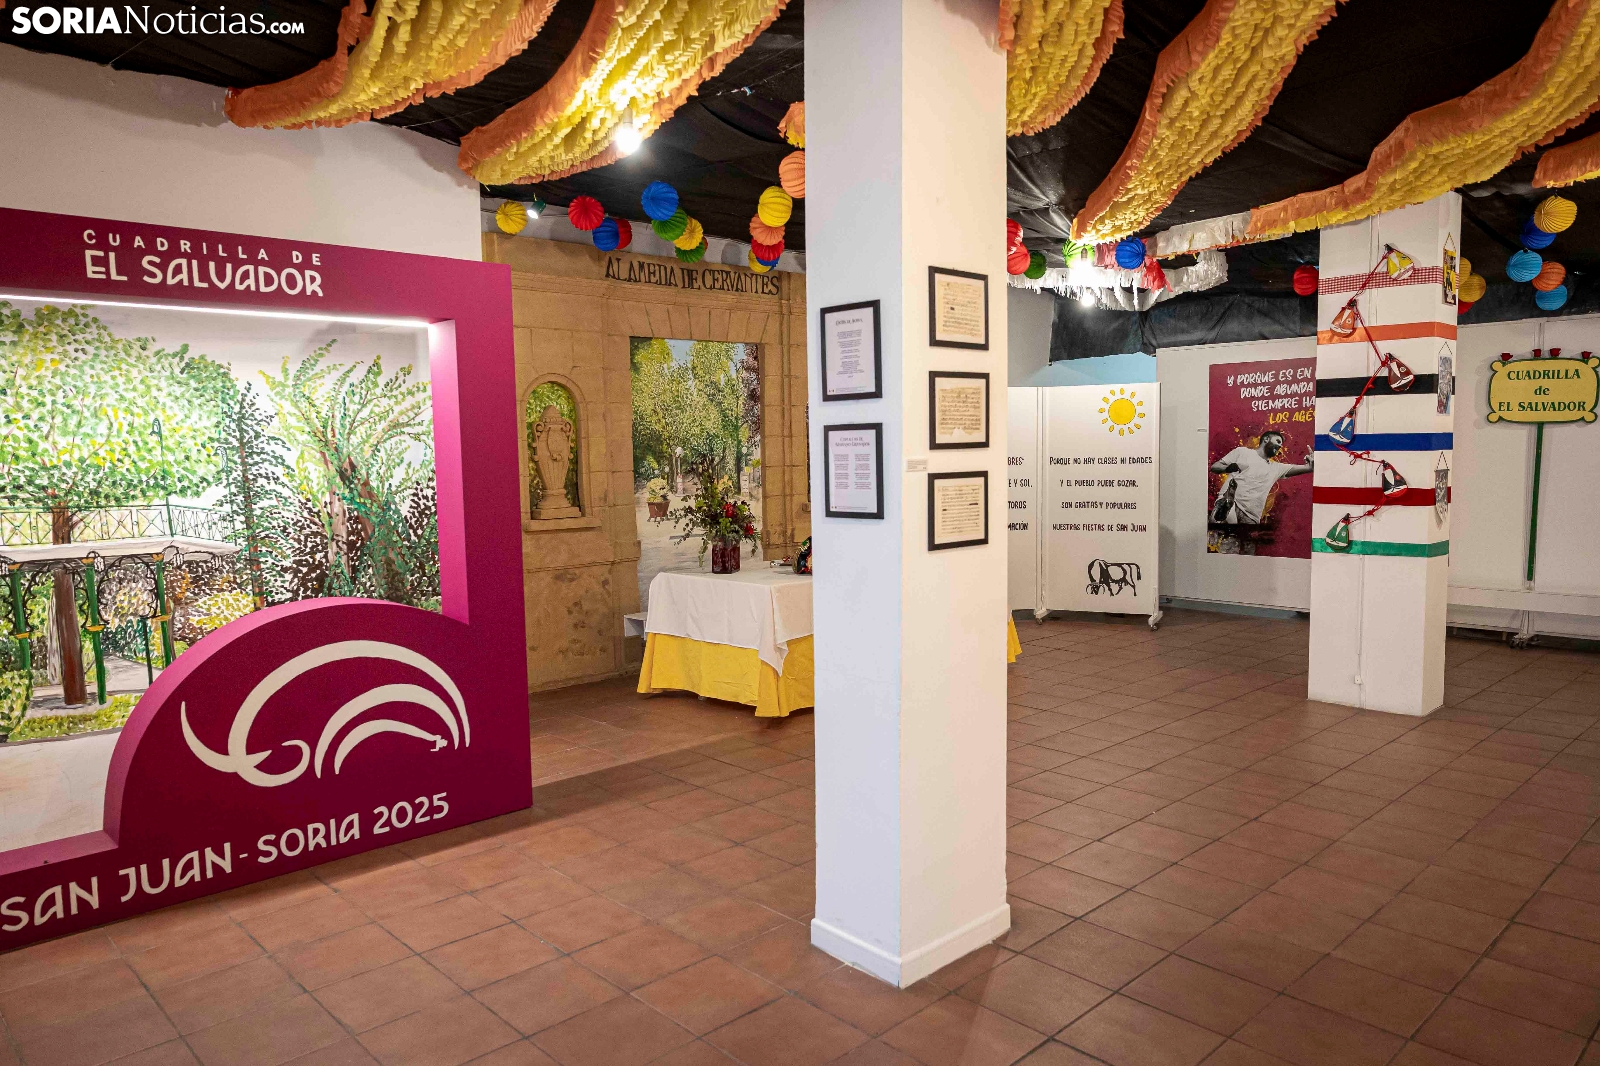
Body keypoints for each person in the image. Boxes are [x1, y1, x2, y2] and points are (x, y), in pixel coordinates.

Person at [1209, 430, 1312, 525]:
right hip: (1232, 504)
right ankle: (1226, 506)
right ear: (1266, 439)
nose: (1280, 445)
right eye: (1278, 441)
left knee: (1241, 538)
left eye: (1281, 444)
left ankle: (1226, 511)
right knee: (1220, 534)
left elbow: (1306, 468)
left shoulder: (1276, 468)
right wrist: (1230, 467)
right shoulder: (1242, 452)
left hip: (1251, 517)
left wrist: (1311, 465)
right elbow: (1215, 467)